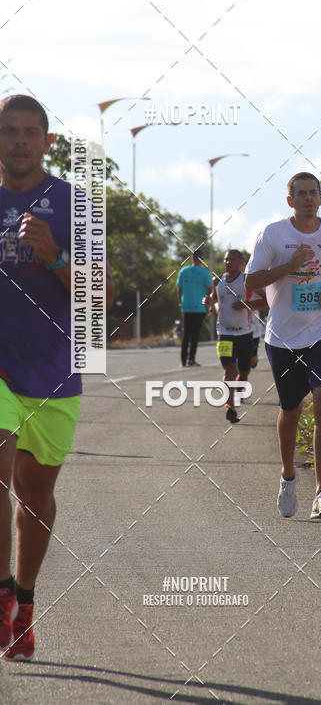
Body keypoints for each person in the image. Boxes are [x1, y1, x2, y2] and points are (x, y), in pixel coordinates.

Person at [0, 94, 114, 660]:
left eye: (30, 132)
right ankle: (2, 594)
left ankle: (24, 601)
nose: (19, 140)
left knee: (35, 495)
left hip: (52, 371)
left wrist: (55, 257)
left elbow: (102, 299)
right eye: (9, 131)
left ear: (47, 142)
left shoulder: (76, 204)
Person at [245, 172, 321, 519]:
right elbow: (251, 281)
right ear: (290, 200)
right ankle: (288, 476)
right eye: (301, 194)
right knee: (291, 410)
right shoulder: (273, 234)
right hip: (283, 337)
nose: (308, 198)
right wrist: (289, 266)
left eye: (313, 193)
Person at [203, 250, 266, 424]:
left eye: (232, 260)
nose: (228, 262)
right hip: (224, 333)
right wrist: (208, 302)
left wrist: (246, 305)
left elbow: (266, 300)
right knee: (229, 369)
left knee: (244, 372)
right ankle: (229, 406)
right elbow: (214, 299)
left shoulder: (247, 281)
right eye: (226, 260)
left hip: (245, 333)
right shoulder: (217, 280)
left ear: (240, 262)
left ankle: (240, 383)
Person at [176, 247, 211, 367]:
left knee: (186, 334)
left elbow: (179, 289)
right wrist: (210, 304)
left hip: (186, 306)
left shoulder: (183, 271)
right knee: (195, 334)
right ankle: (191, 359)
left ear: (191, 258)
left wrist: (180, 302)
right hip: (199, 307)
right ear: (201, 259)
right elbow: (210, 290)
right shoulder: (204, 273)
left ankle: (183, 360)